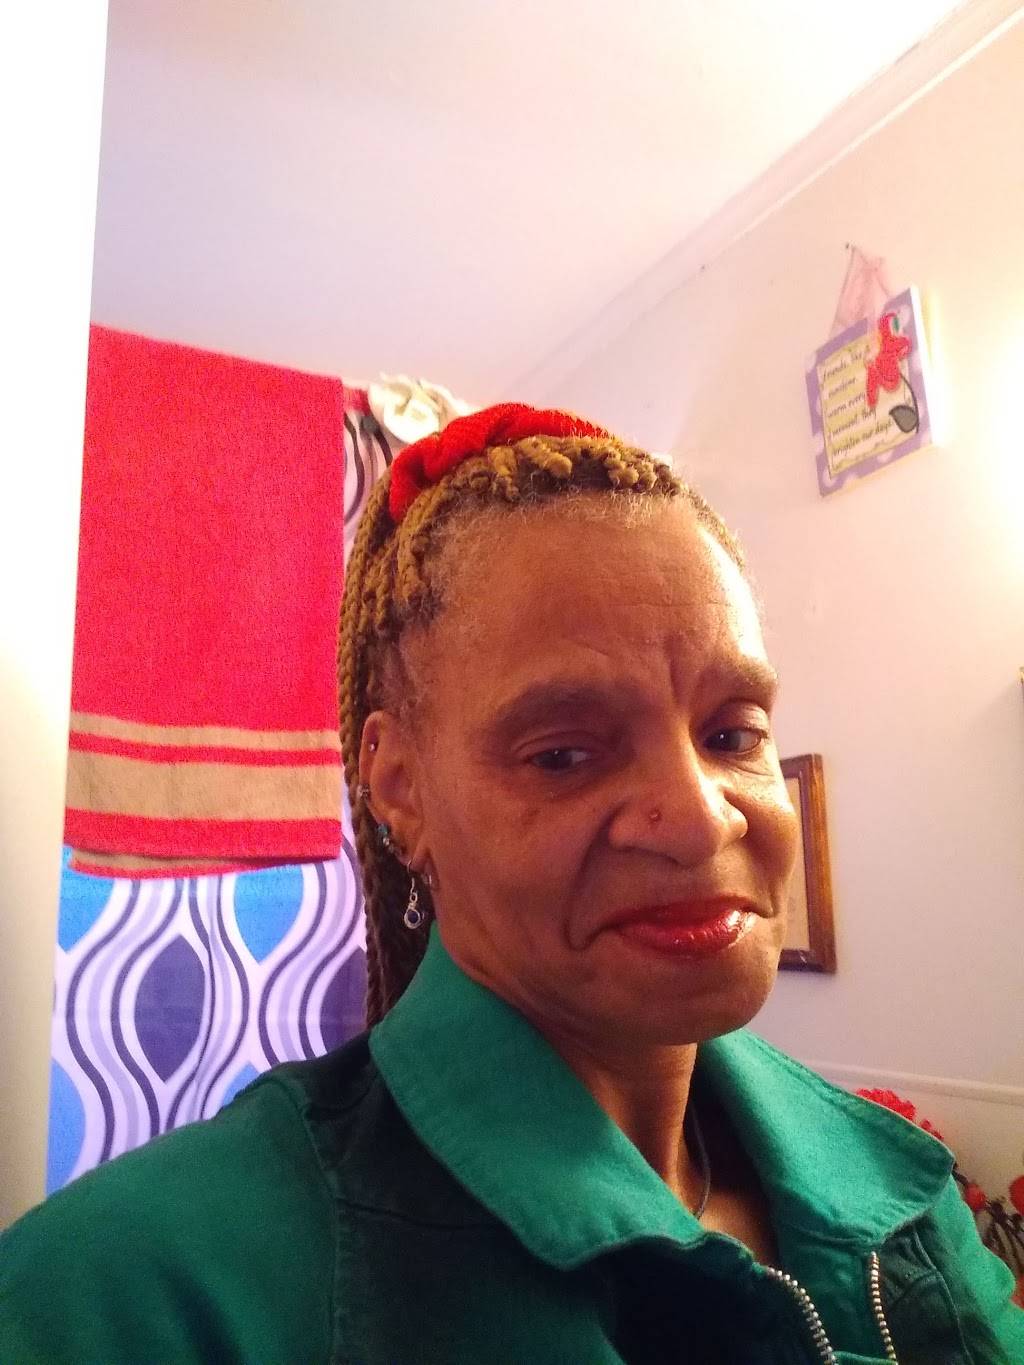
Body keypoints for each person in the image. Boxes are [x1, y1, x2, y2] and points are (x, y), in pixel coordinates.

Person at [1, 402, 1021, 1363]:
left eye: (730, 734)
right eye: (564, 754)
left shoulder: (904, 1194)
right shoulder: (132, 1289)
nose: (703, 816)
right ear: (400, 788)